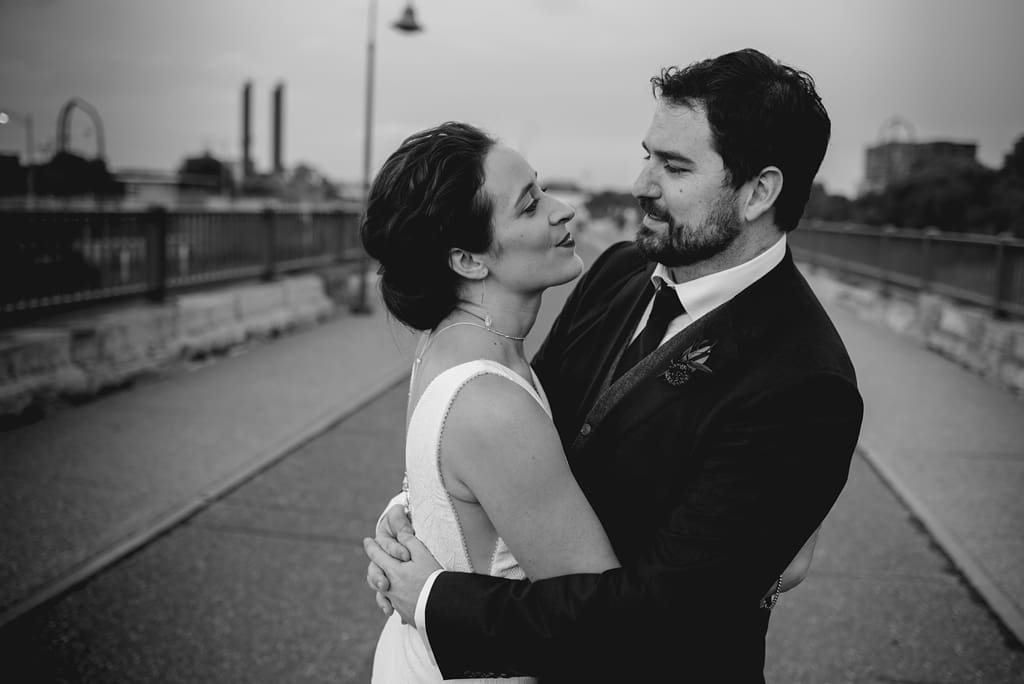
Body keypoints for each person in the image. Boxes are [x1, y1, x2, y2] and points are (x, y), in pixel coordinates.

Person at [364, 48, 864, 682]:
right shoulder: (618, 271)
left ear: (758, 192)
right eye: (648, 155)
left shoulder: (803, 383)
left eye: (675, 167)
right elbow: (518, 430)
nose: (640, 186)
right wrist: (430, 505)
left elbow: (659, 620)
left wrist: (437, 601)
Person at [360, 121, 621, 683]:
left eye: (543, 188)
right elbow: (602, 617)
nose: (562, 210)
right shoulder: (490, 401)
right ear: (469, 261)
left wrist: (406, 522)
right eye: (529, 206)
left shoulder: (446, 340)